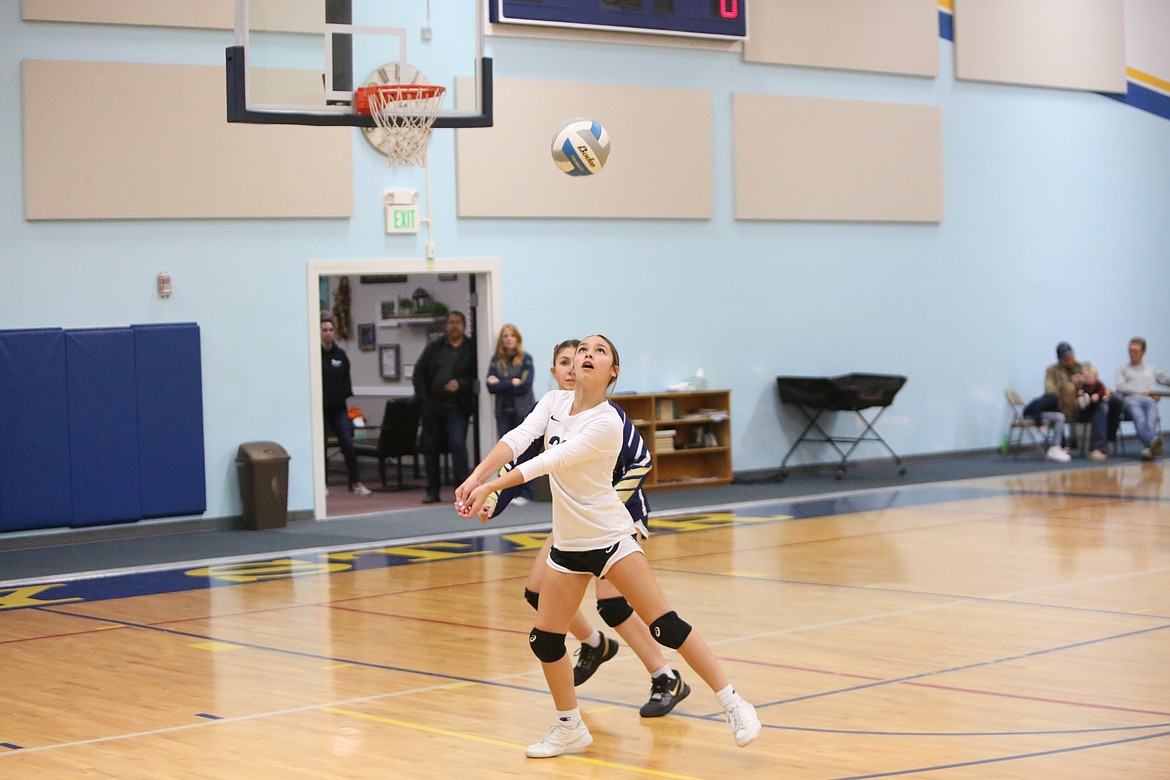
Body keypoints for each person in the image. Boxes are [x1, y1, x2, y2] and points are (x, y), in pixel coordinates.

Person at [455, 335, 761, 758]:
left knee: (665, 626)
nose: (587, 355)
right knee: (545, 640)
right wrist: (476, 477)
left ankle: (734, 703)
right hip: (568, 543)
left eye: (599, 352)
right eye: (582, 349)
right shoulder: (553, 403)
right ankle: (570, 727)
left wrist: (490, 485)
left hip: (610, 538)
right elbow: (517, 439)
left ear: (612, 372)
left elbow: (547, 463)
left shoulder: (607, 421)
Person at [485, 339, 689, 718]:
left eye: (575, 359)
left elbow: (641, 463)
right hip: (572, 519)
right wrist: (493, 499)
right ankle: (594, 644)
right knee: (537, 592)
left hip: (618, 514)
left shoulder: (607, 416)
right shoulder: (552, 409)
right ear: (555, 372)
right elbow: (525, 456)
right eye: (563, 362)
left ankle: (665, 676)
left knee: (611, 603)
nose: (570, 367)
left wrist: (607, 505)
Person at [413, 311, 476, 504]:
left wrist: (461, 383)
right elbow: (419, 372)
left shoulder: (471, 348)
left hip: (457, 407)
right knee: (430, 448)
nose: (454, 326)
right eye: (450, 323)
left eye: (458, 322)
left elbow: (475, 375)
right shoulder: (434, 346)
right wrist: (424, 400)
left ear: (464, 326)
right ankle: (432, 491)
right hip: (432, 406)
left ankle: (463, 492)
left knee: (457, 445)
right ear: (446, 326)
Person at [320, 313, 372, 495]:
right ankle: (322, 484)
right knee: (321, 446)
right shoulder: (315, 356)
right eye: (324, 330)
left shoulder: (340, 355)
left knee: (348, 444)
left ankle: (356, 483)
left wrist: (339, 396)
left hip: (338, 408)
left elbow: (345, 381)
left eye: (330, 330)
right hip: (321, 410)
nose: (327, 333)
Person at [485, 324, 537, 502]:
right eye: (505, 336)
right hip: (503, 412)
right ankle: (507, 492)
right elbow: (490, 387)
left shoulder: (526, 359)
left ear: (517, 339)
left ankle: (526, 492)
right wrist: (511, 382)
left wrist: (501, 383)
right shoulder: (496, 360)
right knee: (505, 453)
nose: (508, 339)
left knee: (525, 452)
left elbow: (525, 385)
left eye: (512, 335)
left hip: (522, 412)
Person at [1043, 341, 1110, 460]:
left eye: (1072, 357)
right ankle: (1062, 446)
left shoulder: (1081, 367)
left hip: (1084, 405)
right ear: (1060, 360)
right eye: (1067, 359)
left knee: (1102, 405)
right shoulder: (1052, 371)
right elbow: (1049, 390)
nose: (1071, 361)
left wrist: (1103, 389)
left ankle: (1097, 448)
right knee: (1059, 397)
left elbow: (1096, 382)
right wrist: (1069, 385)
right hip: (1064, 407)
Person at [1115, 337, 1170, 460]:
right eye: (1130, 351)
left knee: (1150, 421)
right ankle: (1153, 440)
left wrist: (1150, 394)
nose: (1132, 354)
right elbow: (1120, 387)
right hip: (1131, 401)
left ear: (1143, 352)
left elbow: (1166, 380)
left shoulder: (1151, 369)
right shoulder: (1123, 369)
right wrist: (1141, 392)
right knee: (1140, 418)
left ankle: (1149, 448)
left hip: (1149, 401)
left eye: (1135, 351)